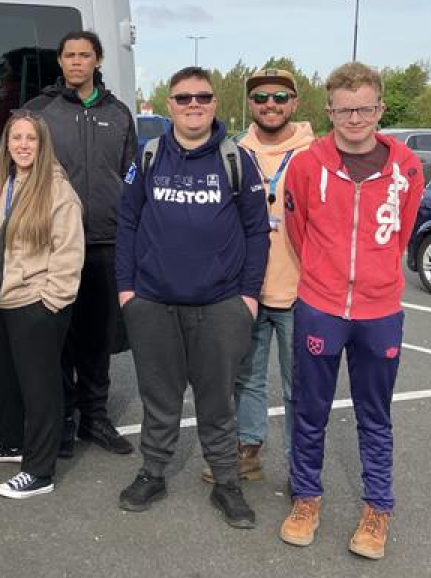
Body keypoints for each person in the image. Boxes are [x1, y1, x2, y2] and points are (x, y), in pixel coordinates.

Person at [278, 63, 423, 560]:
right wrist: (326, 274)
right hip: (320, 306)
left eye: (365, 108)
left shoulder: (406, 167)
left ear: (380, 109)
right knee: (310, 411)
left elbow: (401, 234)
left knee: (375, 416)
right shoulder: (305, 165)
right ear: (330, 110)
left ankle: (378, 508)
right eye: (345, 109)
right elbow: (298, 233)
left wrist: (374, 277)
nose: (355, 118)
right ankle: (306, 500)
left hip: (380, 310)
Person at [114, 66, 269, 529]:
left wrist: (247, 296)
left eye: (203, 97)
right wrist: (127, 291)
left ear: (215, 104)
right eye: (184, 98)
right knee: (158, 397)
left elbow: (257, 232)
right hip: (152, 302)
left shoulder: (236, 160)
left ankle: (227, 484)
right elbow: (126, 224)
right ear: (170, 105)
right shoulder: (149, 157)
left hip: (222, 305)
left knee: (218, 400)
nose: (194, 105)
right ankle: (153, 472)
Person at [24, 30, 136, 458]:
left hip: (107, 242)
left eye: (84, 55)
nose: (76, 62)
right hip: (56, 244)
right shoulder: (40, 111)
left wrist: (123, 201)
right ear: (59, 61)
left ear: (97, 60)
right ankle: (65, 419)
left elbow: (131, 171)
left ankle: (95, 418)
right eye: (69, 55)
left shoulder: (119, 113)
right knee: (60, 336)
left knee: (98, 336)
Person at [202, 68, 314, 485]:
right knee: (246, 377)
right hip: (245, 289)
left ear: (295, 103)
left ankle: (300, 465)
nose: (271, 104)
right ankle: (248, 449)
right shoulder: (232, 152)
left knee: (298, 384)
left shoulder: (314, 154)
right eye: (262, 97)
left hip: (302, 290)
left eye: (280, 97)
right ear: (250, 104)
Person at [0, 111, 85, 499]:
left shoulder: (57, 190)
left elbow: (69, 253)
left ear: (42, 145)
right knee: (2, 380)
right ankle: (11, 442)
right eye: (15, 138)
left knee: (40, 390)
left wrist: (50, 301)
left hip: (35, 302)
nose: (22, 145)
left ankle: (39, 471)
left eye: (30, 139)